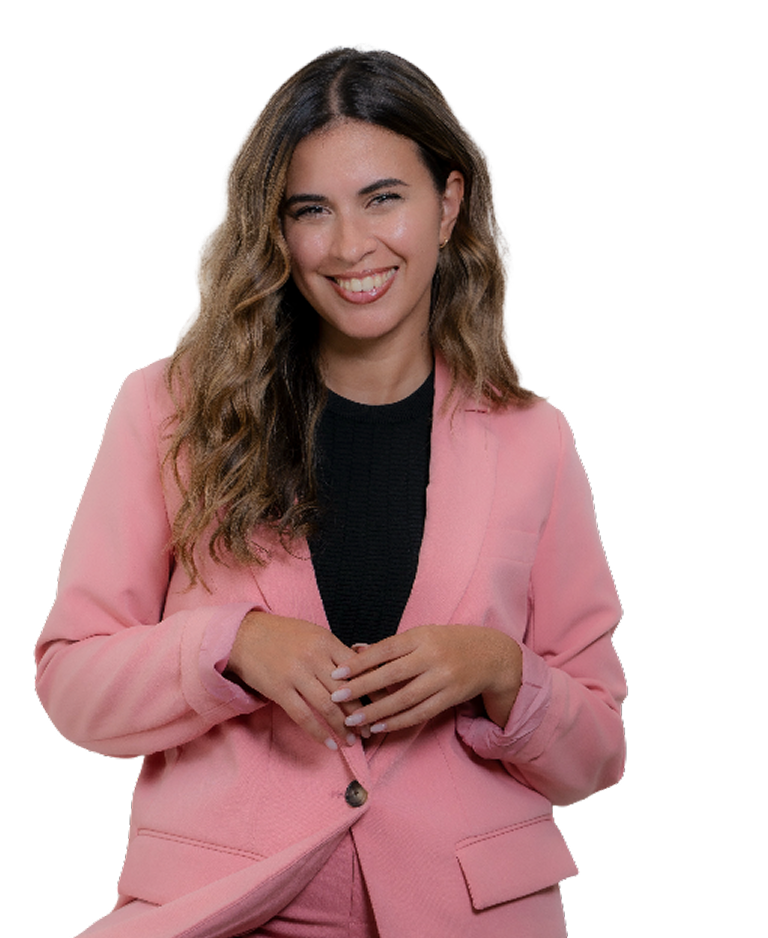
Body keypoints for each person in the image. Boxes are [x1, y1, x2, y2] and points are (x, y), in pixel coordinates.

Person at [34, 43, 626, 938]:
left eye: (383, 198)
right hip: (225, 906)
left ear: (448, 203)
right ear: (275, 230)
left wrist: (499, 670)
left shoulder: (532, 438)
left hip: (468, 915)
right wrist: (231, 646)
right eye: (311, 210)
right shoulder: (167, 408)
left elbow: (596, 754)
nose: (350, 247)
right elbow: (72, 682)